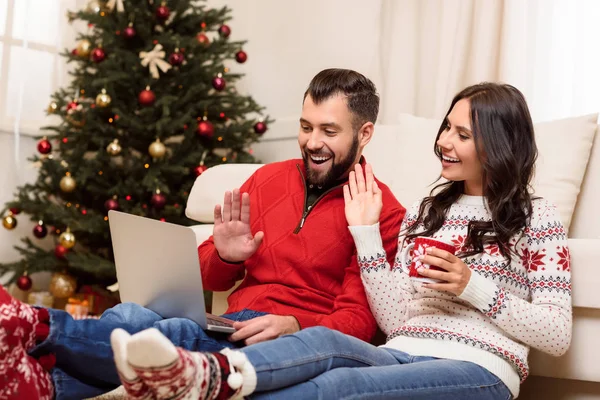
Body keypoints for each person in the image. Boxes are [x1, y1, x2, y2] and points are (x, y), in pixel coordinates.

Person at [110, 82, 573, 400]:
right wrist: (367, 234)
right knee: (326, 347)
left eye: (463, 134)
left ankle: (207, 385)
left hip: (480, 368)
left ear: (499, 144)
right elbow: (394, 321)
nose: (444, 143)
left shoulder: (536, 218)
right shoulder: (426, 213)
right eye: (446, 127)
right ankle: (209, 374)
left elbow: (556, 335)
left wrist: (472, 285)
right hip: (400, 351)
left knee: (337, 388)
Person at [0, 69, 405, 399]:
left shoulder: (381, 211)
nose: (312, 142)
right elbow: (206, 279)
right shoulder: (266, 179)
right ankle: (43, 385)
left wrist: (295, 324)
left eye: (329, 131)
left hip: (280, 344)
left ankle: (34, 325)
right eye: (304, 126)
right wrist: (226, 256)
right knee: (132, 315)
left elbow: (360, 324)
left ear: (364, 133)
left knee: (174, 334)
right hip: (229, 322)